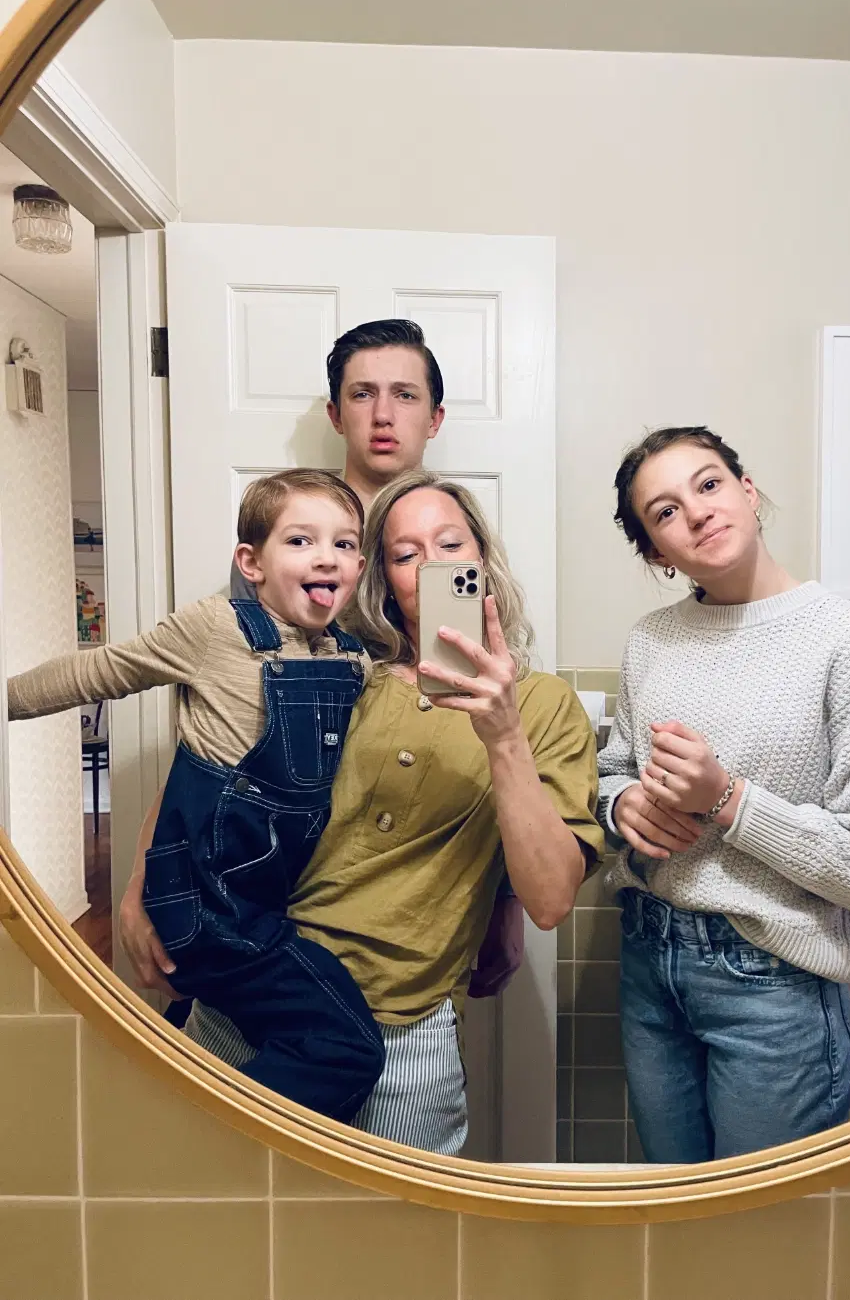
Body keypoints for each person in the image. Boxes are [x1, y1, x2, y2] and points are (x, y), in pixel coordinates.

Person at [121, 471, 603, 1153]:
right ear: (382, 578)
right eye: (405, 554)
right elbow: (209, 764)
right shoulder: (337, 670)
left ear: (482, 560)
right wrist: (143, 882)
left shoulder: (543, 706)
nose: (431, 565)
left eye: (449, 543)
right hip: (259, 989)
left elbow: (551, 898)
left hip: (403, 1027)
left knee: (395, 1247)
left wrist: (503, 734)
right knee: (212, 1208)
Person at [10, 469, 385, 1122]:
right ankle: (199, 1135)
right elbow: (100, 670)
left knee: (272, 1027)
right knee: (347, 1042)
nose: (327, 555)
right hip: (206, 901)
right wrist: (7, 699)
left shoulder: (352, 659)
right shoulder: (218, 628)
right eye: (301, 540)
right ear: (252, 562)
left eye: (346, 543)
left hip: (262, 899)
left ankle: (180, 1086)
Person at [599, 426, 850, 1164]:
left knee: (759, 1249)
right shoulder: (651, 639)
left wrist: (729, 801)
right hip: (651, 965)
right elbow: (612, 769)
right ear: (657, 552)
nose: (697, 511)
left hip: (774, 987)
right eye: (664, 510)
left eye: (709, 484)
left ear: (748, 492)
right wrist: (621, 806)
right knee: (675, 1226)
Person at [229, 317, 524, 999]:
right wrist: (148, 879)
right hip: (265, 869)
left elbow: (497, 736)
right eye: (362, 395)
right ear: (335, 413)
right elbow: (222, 710)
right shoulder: (291, 540)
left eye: (405, 395)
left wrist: (502, 898)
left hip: (408, 918)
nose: (383, 414)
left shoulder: (458, 551)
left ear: (436, 416)